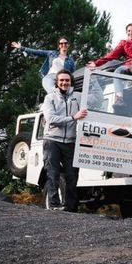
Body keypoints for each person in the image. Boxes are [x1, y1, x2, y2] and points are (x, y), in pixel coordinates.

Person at [42, 69, 87, 211]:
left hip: (71, 141)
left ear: (71, 82)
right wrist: (74, 117)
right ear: (57, 82)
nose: (64, 83)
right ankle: (54, 205)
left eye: (67, 80)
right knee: (53, 174)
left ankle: (70, 208)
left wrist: (94, 75)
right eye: (61, 80)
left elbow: (97, 98)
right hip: (52, 140)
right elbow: (51, 119)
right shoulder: (50, 98)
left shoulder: (78, 97)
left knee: (72, 176)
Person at [11, 36, 76, 94]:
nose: (63, 45)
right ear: (59, 45)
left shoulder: (71, 61)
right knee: (52, 94)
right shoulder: (52, 53)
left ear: (68, 45)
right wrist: (22, 48)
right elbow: (37, 52)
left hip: (62, 80)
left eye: (65, 43)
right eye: (61, 43)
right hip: (51, 77)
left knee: (65, 96)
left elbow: (74, 75)